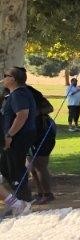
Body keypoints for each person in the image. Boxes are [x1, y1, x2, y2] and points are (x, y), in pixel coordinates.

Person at [2, 67, 37, 202]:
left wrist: (9, 135)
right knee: (6, 167)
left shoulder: (18, 94)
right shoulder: (17, 94)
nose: (3, 78)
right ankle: (21, 198)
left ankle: (23, 200)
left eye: (6, 75)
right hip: (17, 137)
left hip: (18, 137)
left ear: (13, 79)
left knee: (15, 168)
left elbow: (22, 115)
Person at [27, 85, 56, 205]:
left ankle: (48, 194)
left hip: (43, 133)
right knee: (32, 166)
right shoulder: (11, 94)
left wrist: (35, 112)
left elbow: (50, 108)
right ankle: (40, 193)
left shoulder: (30, 92)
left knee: (40, 165)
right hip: (30, 135)